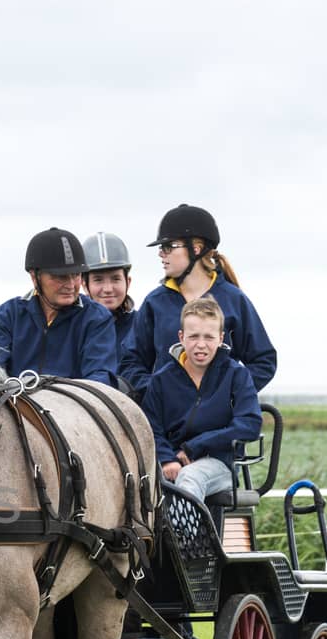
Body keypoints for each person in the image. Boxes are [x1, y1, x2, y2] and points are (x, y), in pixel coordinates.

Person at [120, 204, 276, 399]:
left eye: (168, 247)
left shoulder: (234, 300)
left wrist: (228, 393)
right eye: (161, 248)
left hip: (222, 421)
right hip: (165, 418)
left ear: (196, 249)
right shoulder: (154, 302)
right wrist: (158, 390)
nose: (161, 253)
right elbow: (130, 362)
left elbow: (263, 361)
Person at [142, 297, 263, 503]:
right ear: (181, 337)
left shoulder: (236, 375)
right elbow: (151, 427)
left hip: (219, 464)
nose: (201, 345)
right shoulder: (161, 379)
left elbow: (249, 424)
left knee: (189, 477)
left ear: (220, 337)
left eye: (208, 337)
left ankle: (184, 537)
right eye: (193, 336)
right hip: (169, 462)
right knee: (138, 482)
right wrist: (167, 459)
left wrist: (195, 446)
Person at [0, 226, 118, 386]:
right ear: (35, 277)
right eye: (60, 277)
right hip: (16, 407)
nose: (70, 285)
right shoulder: (7, 315)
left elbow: (100, 378)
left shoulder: (97, 318)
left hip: (75, 407)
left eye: (76, 275)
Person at [81, 230, 136, 385]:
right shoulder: (73, 327)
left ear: (128, 282)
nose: (108, 288)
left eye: (115, 279)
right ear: (84, 285)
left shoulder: (142, 326)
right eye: (98, 280)